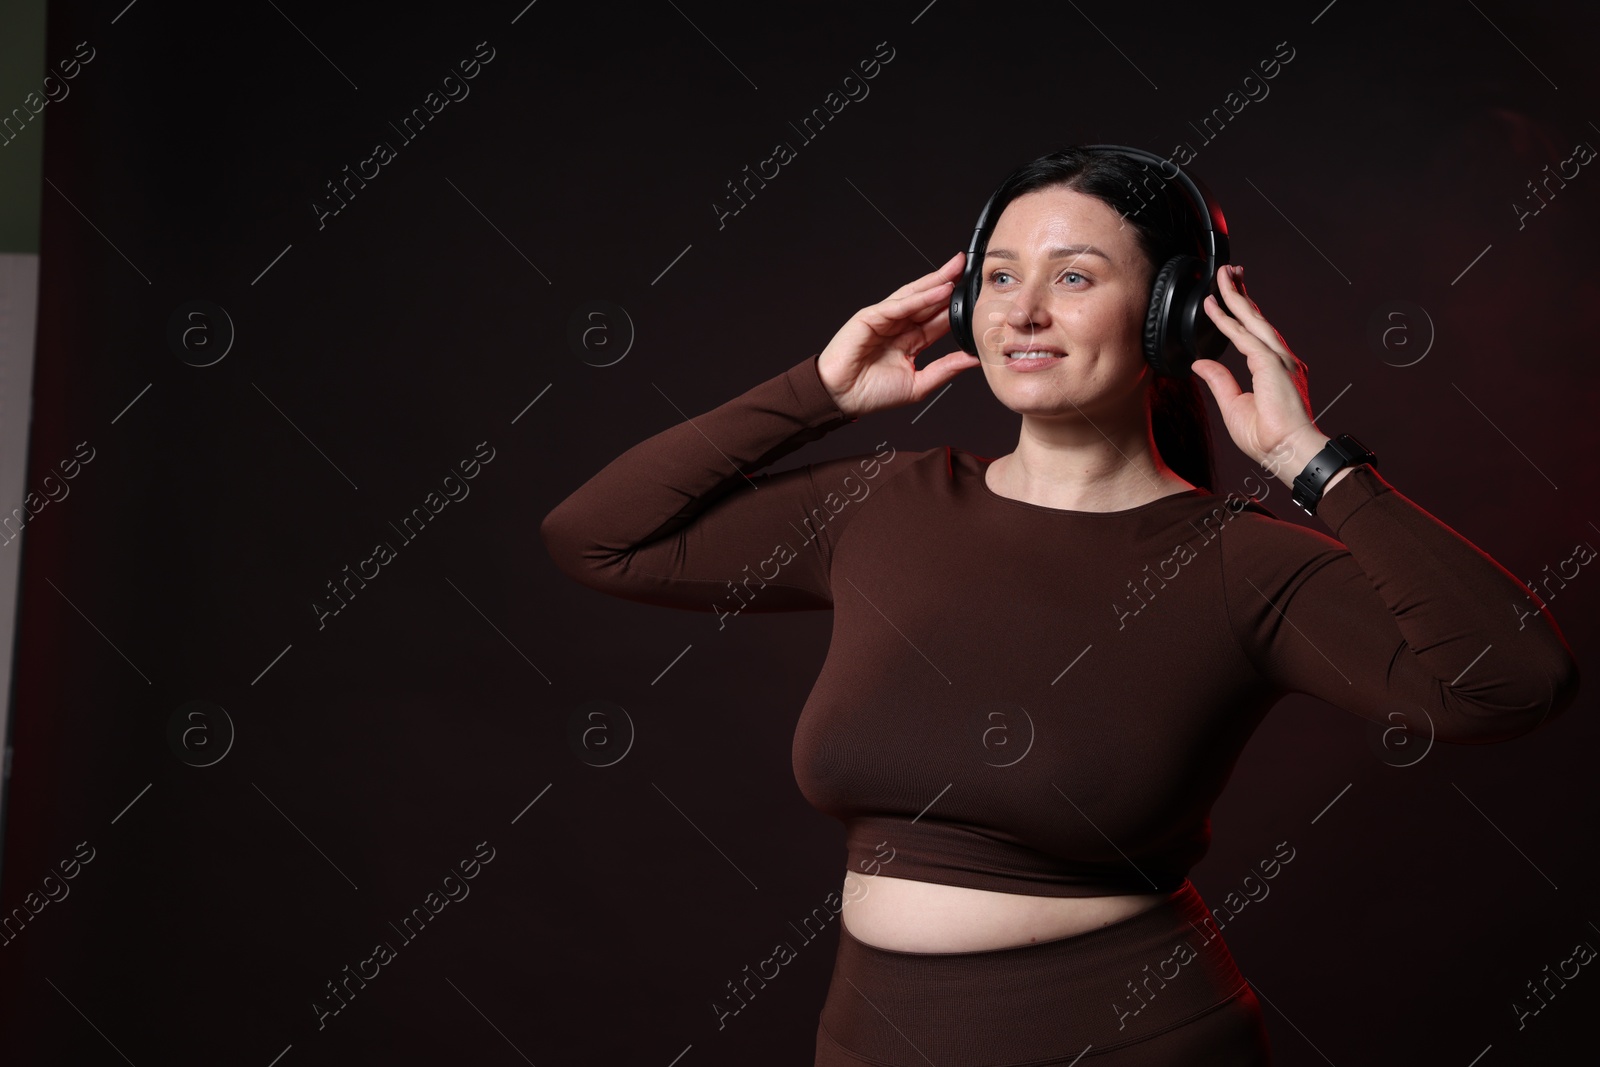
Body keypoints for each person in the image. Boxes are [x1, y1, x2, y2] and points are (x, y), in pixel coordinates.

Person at [539, 147, 1580, 1065]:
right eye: (997, 277)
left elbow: (1509, 681)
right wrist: (818, 388)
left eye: (1072, 276)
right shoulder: (883, 504)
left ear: (1173, 314)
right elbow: (598, 536)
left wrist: (1312, 460)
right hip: (868, 1038)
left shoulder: (1239, 565)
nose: (1020, 311)